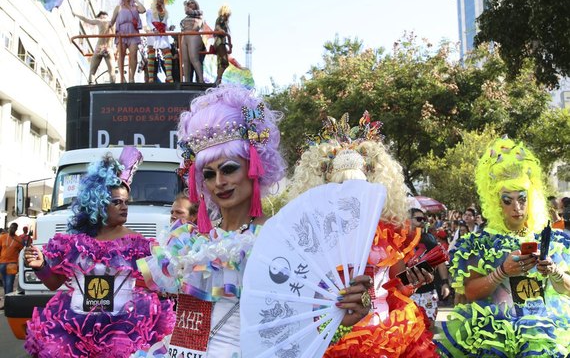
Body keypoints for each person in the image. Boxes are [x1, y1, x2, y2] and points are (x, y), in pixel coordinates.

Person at [137, 86, 372, 356]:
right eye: (210, 174)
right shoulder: (187, 241)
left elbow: (304, 321)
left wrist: (347, 309)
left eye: (229, 169)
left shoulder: (282, 241)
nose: (219, 183)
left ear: (254, 166)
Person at [287, 112, 439, 357]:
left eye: (359, 189)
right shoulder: (312, 239)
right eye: (341, 189)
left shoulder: (387, 235)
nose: (351, 197)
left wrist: (414, 280)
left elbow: (392, 285)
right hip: (334, 337)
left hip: (387, 332)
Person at [23, 147, 175, 358]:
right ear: (99, 204)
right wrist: (40, 267)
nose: (124, 207)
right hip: (74, 326)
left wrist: (171, 266)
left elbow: (155, 283)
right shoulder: (75, 243)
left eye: (125, 202)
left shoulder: (138, 244)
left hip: (123, 329)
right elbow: (54, 283)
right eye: (116, 202)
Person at [437, 138, 570, 357]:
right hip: (496, 335)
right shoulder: (478, 242)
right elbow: (469, 292)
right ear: (496, 202)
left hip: (543, 333)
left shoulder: (552, 238)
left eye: (522, 199)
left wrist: (554, 271)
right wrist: (502, 272)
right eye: (508, 200)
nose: (517, 207)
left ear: (531, 198)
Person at [409, 208, 451, 328]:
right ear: (408, 220)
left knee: (429, 326)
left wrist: (445, 283)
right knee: (409, 328)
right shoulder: (401, 240)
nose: (422, 222)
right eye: (418, 219)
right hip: (408, 293)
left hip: (428, 291)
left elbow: (441, 262)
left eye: (424, 219)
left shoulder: (429, 239)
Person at [110, 0, 145, 83]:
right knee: (121, 54)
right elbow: (112, 21)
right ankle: (122, 77)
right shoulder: (118, 7)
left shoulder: (135, 7)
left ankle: (131, 77)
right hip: (121, 32)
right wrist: (107, 28)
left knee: (133, 54)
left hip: (133, 32)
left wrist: (136, 1)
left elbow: (143, 10)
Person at [73, 10, 116, 84]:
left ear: (100, 16)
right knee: (112, 71)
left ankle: (91, 84)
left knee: (92, 71)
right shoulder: (113, 22)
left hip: (99, 47)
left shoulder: (100, 21)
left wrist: (76, 14)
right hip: (109, 48)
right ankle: (113, 85)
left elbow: (86, 19)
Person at [145, 0, 174, 83]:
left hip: (162, 34)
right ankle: (150, 78)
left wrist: (170, 28)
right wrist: (153, 29)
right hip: (153, 34)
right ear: (154, 0)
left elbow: (166, 25)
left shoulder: (165, 12)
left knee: (168, 54)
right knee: (151, 55)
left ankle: (169, 76)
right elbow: (148, 22)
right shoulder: (149, 11)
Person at [179, 0, 204, 83]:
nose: (190, 4)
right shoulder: (186, 17)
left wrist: (185, 4)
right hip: (184, 37)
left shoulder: (199, 12)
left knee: (194, 58)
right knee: (185, 61)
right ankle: (186, 81)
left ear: (196, 4)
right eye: (188, 3)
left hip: (193, 36)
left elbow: (188, 11)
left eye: (192, 2)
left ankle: (201, 80)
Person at [0, 222, 24, 298]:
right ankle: (7, 301)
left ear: (16, 229)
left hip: (12, 264)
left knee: (9, 284)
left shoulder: (18, 240)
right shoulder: (3, 237)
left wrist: (19, 264)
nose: (12, 229)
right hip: (2, 263)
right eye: (11, 227)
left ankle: (8, 303)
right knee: (4, 284)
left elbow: (21, 252)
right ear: (9, 227)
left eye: (14, 228)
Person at [214, 5, 231, 85]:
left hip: (222, 42)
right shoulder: (221, 18)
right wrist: (221, 31)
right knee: (224, 62)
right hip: (220, 42)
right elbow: (217, 27)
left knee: (221, 62)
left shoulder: (224, 20)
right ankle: (218, 79)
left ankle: (219, 79)